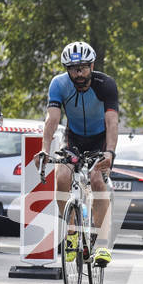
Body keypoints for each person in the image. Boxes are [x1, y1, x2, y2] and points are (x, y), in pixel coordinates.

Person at [34, 40, 119, 267]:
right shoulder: (59, 85)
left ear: (92, 66)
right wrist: (44, 148)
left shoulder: (106, 84)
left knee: (97, 181)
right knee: (61, 177)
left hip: (100, 139)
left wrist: (110, 152)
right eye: (73, 69)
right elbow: (52, 119)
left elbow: (112, 122)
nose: (78, 73)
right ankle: (71, 229)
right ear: (67, 70)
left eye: (82, 67)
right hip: (74, 138)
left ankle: (101, 244)